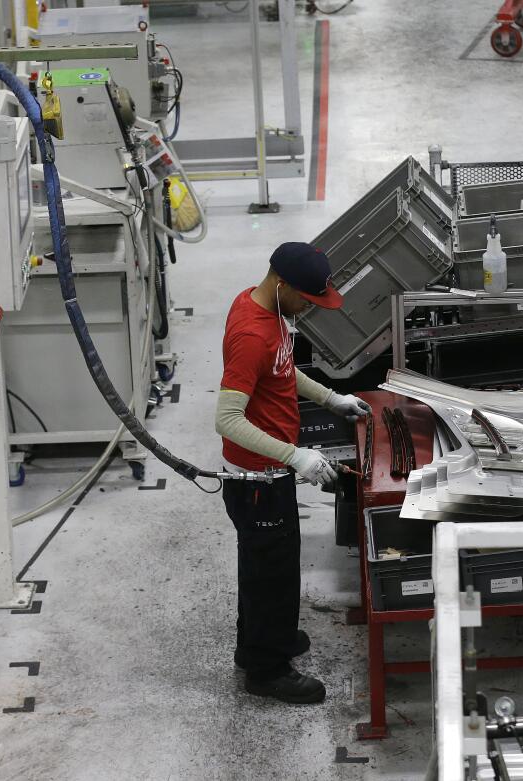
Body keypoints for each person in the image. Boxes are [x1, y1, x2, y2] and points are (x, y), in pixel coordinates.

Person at [215, 242, 372, 704]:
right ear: (282, 285)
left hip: (272, 472)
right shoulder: (251, 334)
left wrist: (331, 398)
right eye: (307, 299)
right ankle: (266, 671)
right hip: (257, 481)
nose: (310, 308)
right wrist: (294, 457)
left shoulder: (265, 307)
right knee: (271, 573)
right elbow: (227, 420)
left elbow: (282, 372)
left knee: (271, 566)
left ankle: (264, 642)